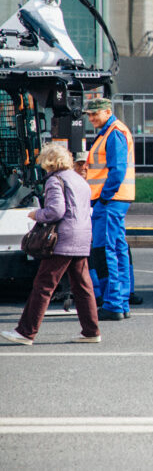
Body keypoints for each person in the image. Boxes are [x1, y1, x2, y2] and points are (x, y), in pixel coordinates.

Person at [1, 143, 99, 345]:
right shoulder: (80, 181)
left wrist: (36, 213)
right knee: (82, 286)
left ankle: (26, 332)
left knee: (43, 285)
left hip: (63, 240)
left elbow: (56, 211)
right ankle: (91, 331)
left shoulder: (55, 180)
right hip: (81, 237)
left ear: (49, 161)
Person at [84, 97, 138, 321]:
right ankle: (121, 303)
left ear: (107, 112)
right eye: (89, 115)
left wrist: (104, 198)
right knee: (117, 249)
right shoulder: (113, 130)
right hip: (115, 200)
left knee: (104, 251)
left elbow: (117, 169)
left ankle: (113, 304)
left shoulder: (114, 132)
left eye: (95, 114)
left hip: (109, 201)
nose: (91, 118)